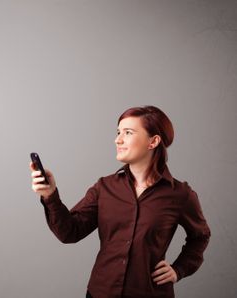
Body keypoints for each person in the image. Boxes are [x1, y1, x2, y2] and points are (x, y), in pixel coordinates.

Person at [30, 106, 210, 298]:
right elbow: (69, 232)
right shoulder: (104, 187)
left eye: (128, 132)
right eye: (118, 132)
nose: (118, 139)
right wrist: (50, 195)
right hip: (101, 292)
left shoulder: (180, 194)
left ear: (153, 141)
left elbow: (200, 236)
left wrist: (179, 269)